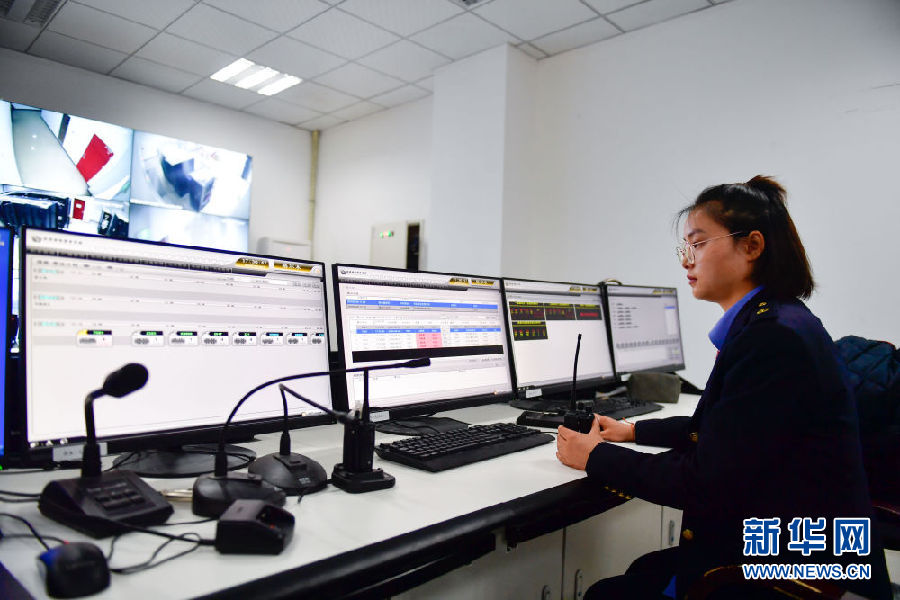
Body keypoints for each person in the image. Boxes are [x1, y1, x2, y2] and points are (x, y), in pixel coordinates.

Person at [556, 176, 891, 599]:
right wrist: (634, 431)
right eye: (685, 248)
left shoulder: (772, 339)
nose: (686, 261)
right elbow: (726, 429)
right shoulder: (779, 319)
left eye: (697, 244)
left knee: (609, 593)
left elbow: (704, 482)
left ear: (751, 246)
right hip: (794, 549)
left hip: (789, 576)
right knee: (644, 569)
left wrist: (595, 456)